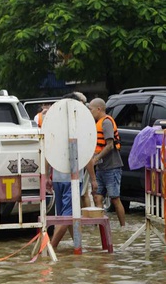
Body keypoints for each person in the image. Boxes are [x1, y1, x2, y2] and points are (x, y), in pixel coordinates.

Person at [48, 92, 97, 249]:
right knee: (67, 216)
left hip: (57, 177)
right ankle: (49, 249)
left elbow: (48, 150)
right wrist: (94, 179)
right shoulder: (79, 127)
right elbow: (86, 155)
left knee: (62, 216)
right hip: (72, 180)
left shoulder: (54, 125)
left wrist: (47, 175)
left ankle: (78, 245)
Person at [89, 97, 126, 226]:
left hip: (112, 167)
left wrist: (96, 158)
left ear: (99, 109)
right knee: (97, 197)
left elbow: (110, 145)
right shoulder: (97, 123)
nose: (90, 111)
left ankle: (123, 227)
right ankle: (100, 228)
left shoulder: (106, 122)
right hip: (101, 169)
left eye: (91, 109)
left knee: (115, 199)